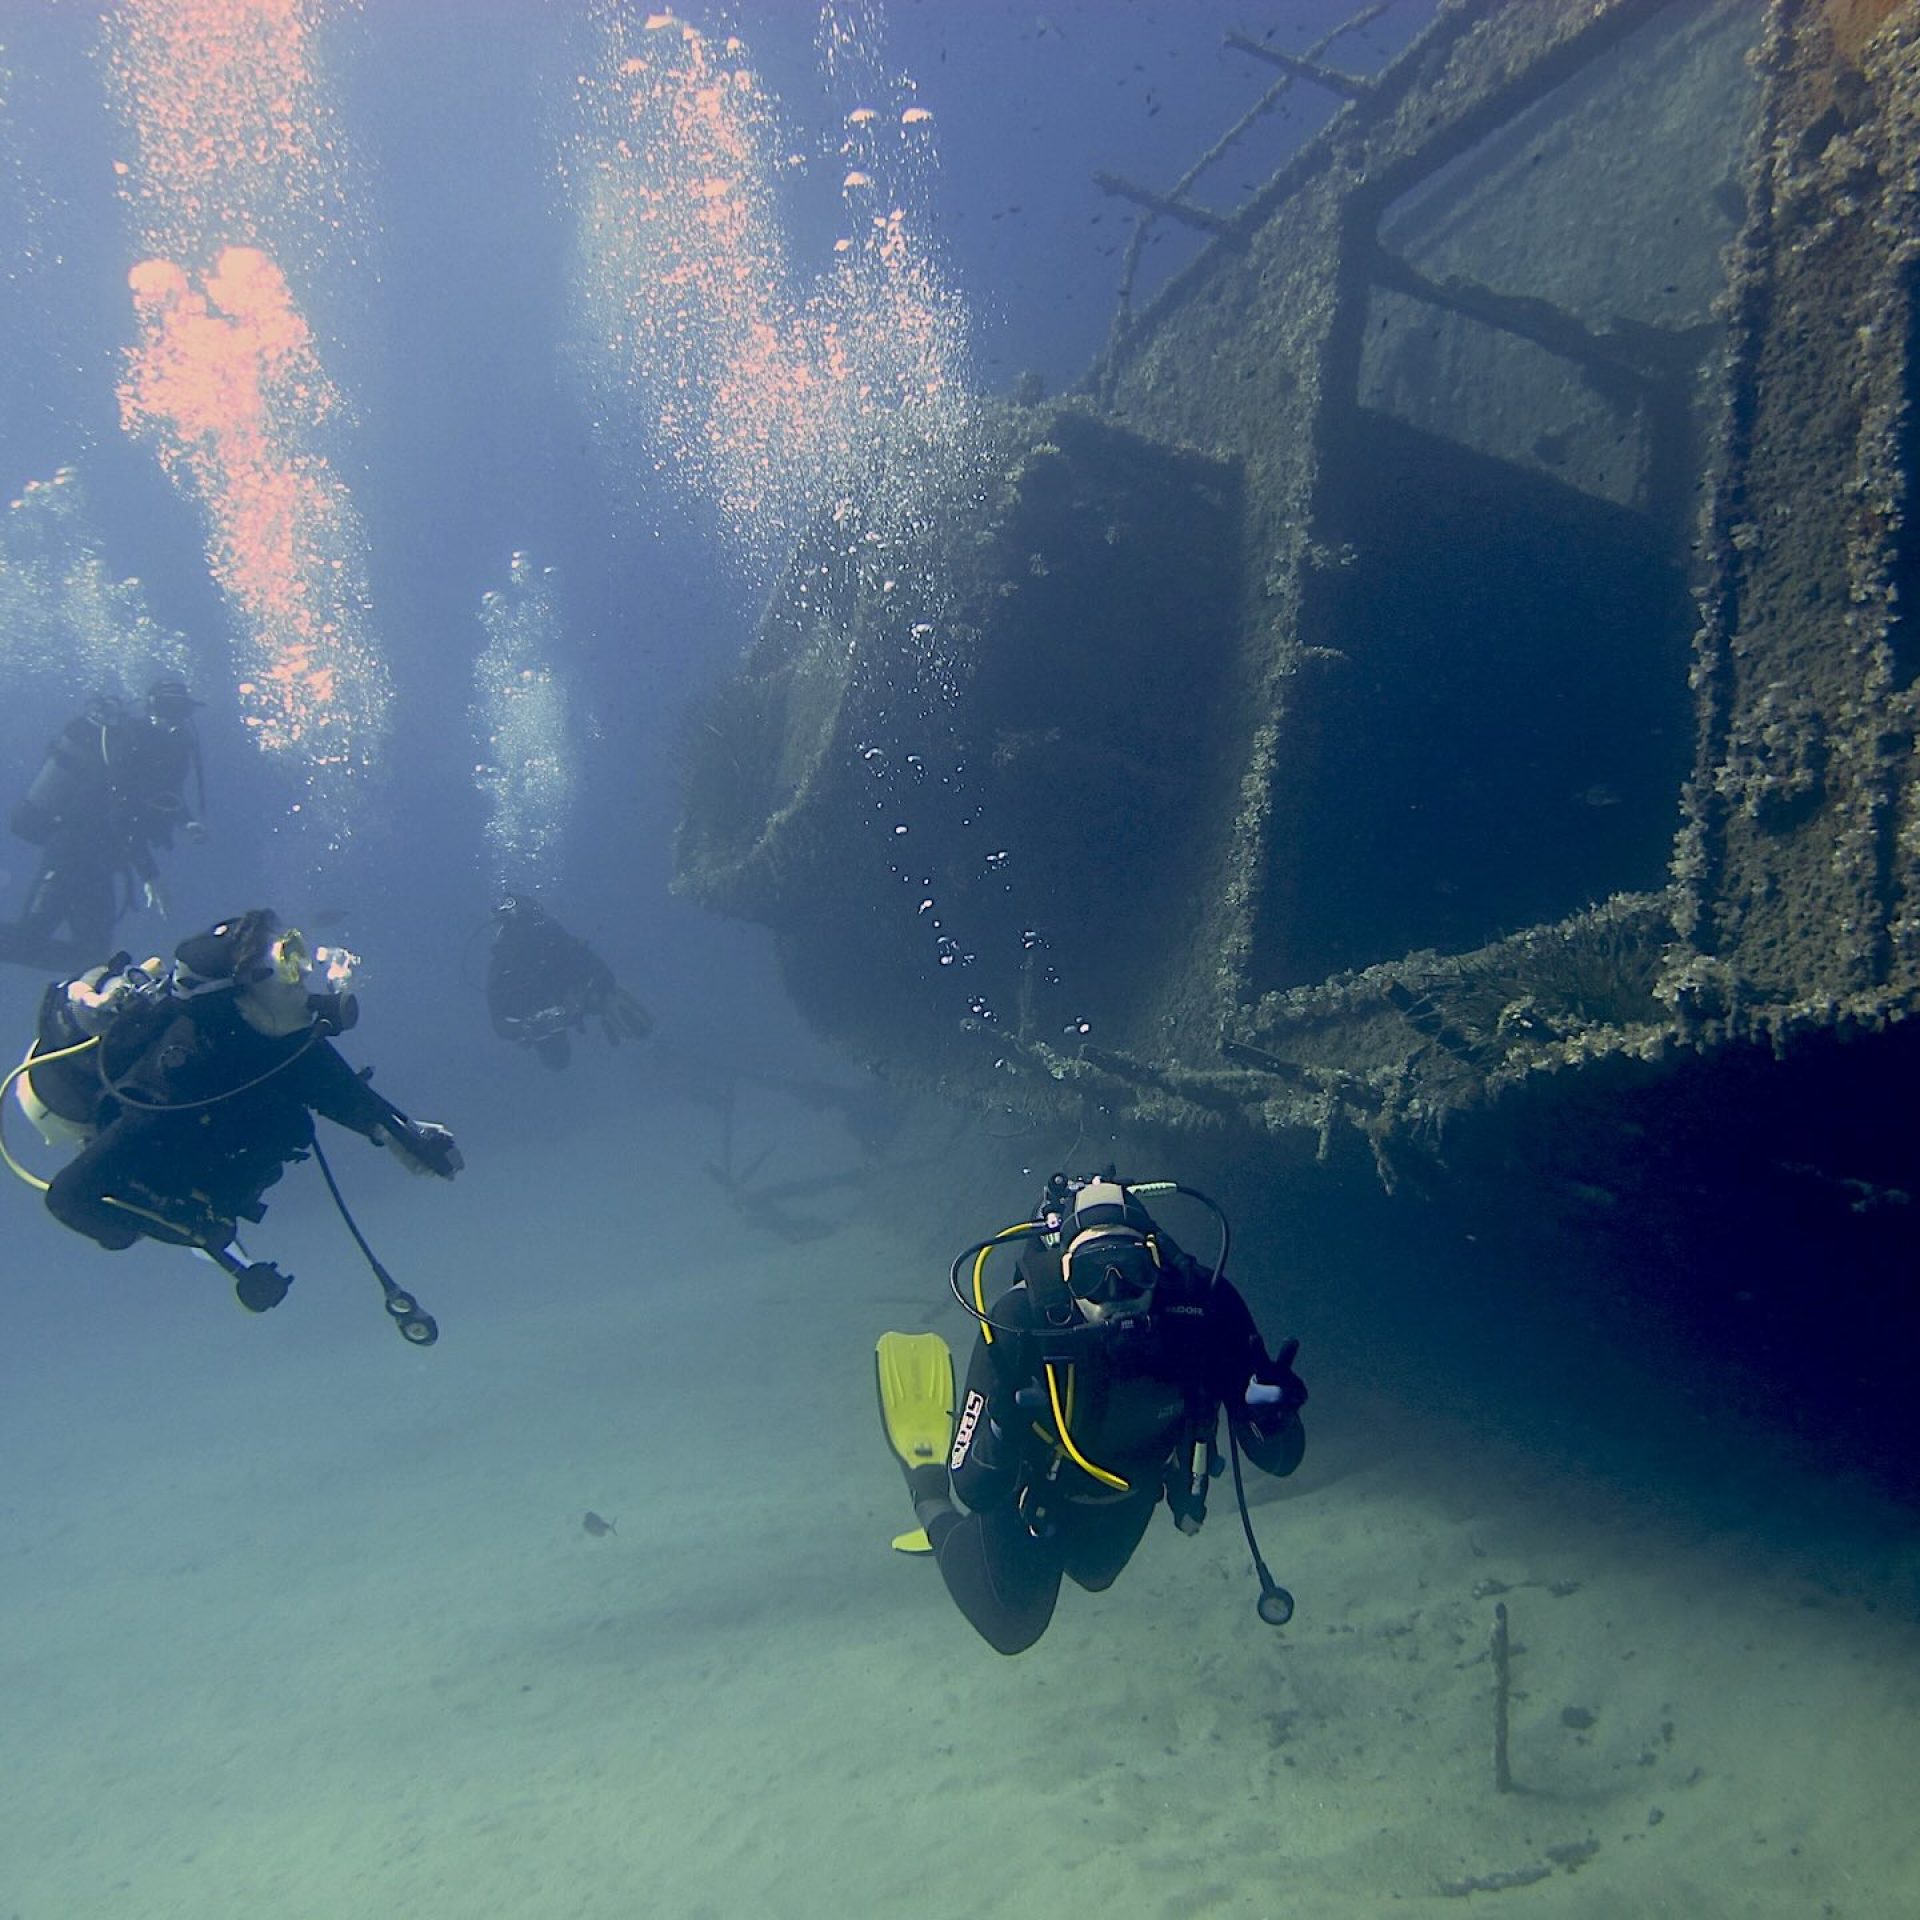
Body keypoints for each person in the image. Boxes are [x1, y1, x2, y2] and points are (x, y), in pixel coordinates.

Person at [875, 1172, 1308, 1655]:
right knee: (1012, 1627)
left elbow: (1281, 1461)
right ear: (1064, 1276)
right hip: (1028, 1497)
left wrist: (1271, 1416)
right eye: (1091, 1276)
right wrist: (1000, 1428)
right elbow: (974, 1487)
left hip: (1130, 1490)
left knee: (1096, 1574)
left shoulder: (1204, 1308)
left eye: (1131, 1268)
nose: (1114, 1291)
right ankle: (925, 1493)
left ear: (1158, 1266)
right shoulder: (1021, 1320)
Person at [31, 911, 461, 1303]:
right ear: (246, 987)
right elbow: (69, 1197)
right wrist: (188, 1232)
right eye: (290, 961)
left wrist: (404, 1135)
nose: (306, 972)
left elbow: (337, 1090)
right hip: (167, 1172)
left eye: (299, 950)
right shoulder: (176, 1082)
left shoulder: (279, 1035)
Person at [8, 678, 207, 955]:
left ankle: (73, 996)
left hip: (104, 861)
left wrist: (186, 822)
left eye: (180, 710)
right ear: (150, 706)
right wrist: (150, 876)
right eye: (165, 707)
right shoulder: (128, 739)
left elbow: (167, 796)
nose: (171, 718)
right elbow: (120, 813)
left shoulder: (177, 748)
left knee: (91, 954)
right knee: (30, 937)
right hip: (72, 848)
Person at [485, 894, 653, 1069]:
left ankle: (652, 1044)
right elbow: (499, 1023)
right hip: (538, 1018)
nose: (524, 935)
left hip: (574, 998)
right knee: (557, 1062)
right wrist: (529, 1028)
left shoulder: (552, 939)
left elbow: (601, 972)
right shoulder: (503, 963)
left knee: (618, 1004)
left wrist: (589, 996)